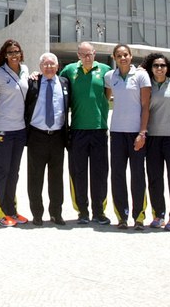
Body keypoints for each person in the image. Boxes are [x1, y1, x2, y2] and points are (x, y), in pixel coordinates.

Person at [61, 41, 112, 225]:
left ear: (95, 53)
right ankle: (82, 211)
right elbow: (56, 84)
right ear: (78, 56)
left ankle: (99, 211)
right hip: (77, 130)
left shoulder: (105, 69)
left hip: (99, 129)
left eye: (90, 54)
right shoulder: (69, 70)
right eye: (83, 55)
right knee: (78, 172)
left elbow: (108, 94)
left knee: (100, 172)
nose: (87, 57)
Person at [104, 43, 151, 228]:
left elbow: (146, 106)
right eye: (119, 55)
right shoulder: (110, 77)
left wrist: (142, 132)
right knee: (117, 175)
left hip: (136, 133)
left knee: (138, 175)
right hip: (116, 132)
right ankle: (121, 216)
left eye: (126, 55)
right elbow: (107, 98)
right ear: (114, 58)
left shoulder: (141, 75)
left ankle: (138, 216)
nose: (123, 58)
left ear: (131, 56)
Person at [24, 52, 71, 226]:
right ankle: (37, 213)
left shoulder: (65, 83)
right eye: (45, 64)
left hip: (58, 137)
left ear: (58, 67)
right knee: (35, 177)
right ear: (40, 67)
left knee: (56, 178)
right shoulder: (32, 82)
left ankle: (56, 213)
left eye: (52, 64)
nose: (49, 67)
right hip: (37, 135)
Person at [0, 38, 29, 227]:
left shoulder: (25, 70)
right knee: (1, 171)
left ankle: (11, 209)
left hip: (19, 129)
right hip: (2, 128)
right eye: (10, 52)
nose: (14, 55)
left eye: (17, 51)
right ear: (5, 55)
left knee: (14, 172)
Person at [143, 53, 170, 230]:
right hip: (151, 136)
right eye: (156, 65)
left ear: (168, 67)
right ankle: (158, 215)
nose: (160, 68)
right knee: (154, 177)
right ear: (150, 67)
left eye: (163, 65)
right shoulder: (146, 84)